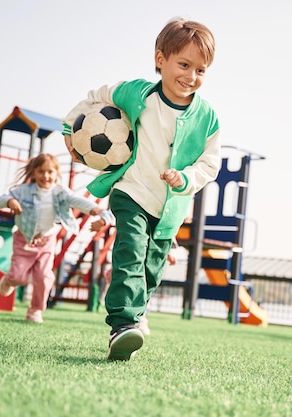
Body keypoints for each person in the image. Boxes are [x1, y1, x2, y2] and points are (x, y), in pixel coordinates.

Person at [62, 17, 221, 361]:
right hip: (132, 192)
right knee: (130, 254)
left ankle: (137, 309)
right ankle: (122, 326)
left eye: (200, 70)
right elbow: (96, 96)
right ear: (160, 59)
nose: (191, 76)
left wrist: (187, 178)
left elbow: (211, 163)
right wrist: (68, 124)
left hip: (170, 208)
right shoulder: (138, 93)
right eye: (184, 64)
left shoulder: (208, 117)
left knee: (152, 269)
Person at [0, 153, 111, 323]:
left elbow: (76, 200)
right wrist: (10, 201)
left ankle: (35, 310)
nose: (46, 176)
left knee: (43, 277)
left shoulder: (60, 192)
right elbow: (1, 199)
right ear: (34, 172)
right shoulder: (23, 191)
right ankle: (8, 280)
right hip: (24, 240)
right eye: (41, 171)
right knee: (18, 277)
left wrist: (93, 209)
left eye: (50, 172)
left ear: (57, 173)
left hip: (46, 241)